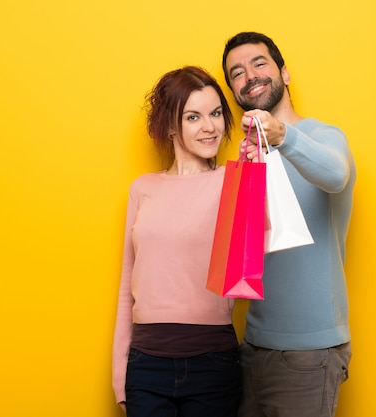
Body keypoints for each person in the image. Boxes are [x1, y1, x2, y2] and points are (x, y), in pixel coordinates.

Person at [221, 32, 356, 417]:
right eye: (237, 73)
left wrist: (284, 137)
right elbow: (243, 252)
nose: (250, 75)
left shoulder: (324, 136)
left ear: (284, 73)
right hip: (253, 347)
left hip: (309, 352)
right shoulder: (250, 156)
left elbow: (336, 175)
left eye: (259, 63)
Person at [112, 66, 242, 417]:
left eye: (215, 113)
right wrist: (120, 370)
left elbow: (256, 254)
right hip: (146, 364)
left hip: (213, 361)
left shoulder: (235, 181)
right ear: (171, 125)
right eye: (193, 116)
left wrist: (255, 174)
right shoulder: (143, 189)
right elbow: (129, 282)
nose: (210, 126)